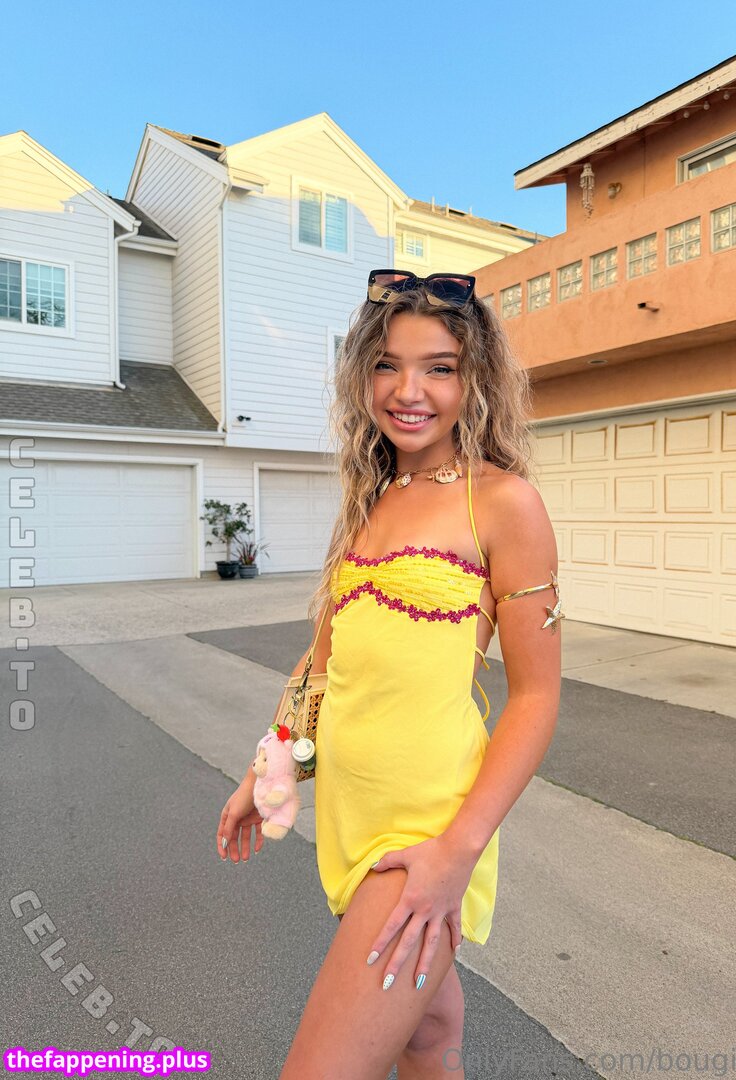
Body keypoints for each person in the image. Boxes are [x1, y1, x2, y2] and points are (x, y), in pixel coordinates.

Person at [216, 269, 562, 1079]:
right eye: (387, 365)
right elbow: (324, 665)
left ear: (475, 380)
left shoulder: (502, 503)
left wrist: (457, 851)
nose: (408, 391)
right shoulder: (371, 501)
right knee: (428, 1036)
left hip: (424, 835)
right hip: (350, 820)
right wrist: (269, 768)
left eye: (439, 367)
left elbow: (538, 695)